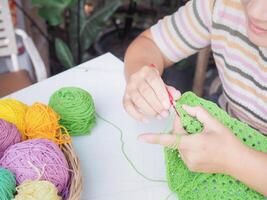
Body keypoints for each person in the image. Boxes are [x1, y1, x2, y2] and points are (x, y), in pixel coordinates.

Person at [123, 0, 267, 196]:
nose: (255, 12)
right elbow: (150, 44)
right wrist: (144, 76)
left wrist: (234, 159)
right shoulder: (220, 4)